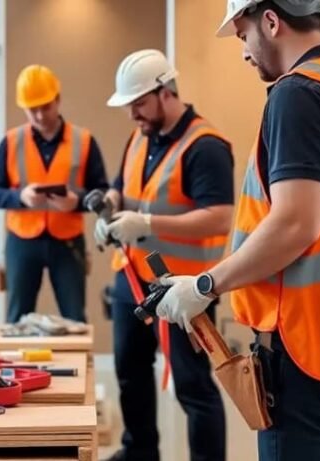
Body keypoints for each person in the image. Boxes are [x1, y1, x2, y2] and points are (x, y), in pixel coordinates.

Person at [155, 1, 320, 460]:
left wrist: (206, 284)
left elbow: (296, 222)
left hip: (308, 355)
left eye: (242, 35)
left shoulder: (299, 94)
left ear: (271, 21)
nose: (244, 52)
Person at [95, 49, 234, 461]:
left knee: (194, 388)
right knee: (130, 372)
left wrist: (149, 223)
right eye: (129, 106)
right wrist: (110, 204)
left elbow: (220, 219)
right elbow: (122, 186)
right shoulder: (140, 137)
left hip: (184, 288)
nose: (133, 114)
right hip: (132, 277)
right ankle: (139, 451)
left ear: (165, 92)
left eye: (138, 103)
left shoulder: (205, 146)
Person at [0, 64, 109, 323]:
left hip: (68, 241)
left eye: (45, 107)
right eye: (32, 109)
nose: (40, 115)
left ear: (58, 100)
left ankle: (78, 363)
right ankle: (14, 364)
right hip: (21, 240)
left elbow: (103, 192)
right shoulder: (10, 142)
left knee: (75, 316)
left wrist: (77, 202)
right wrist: (21, 198)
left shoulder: (84, 141)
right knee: (17, 316)